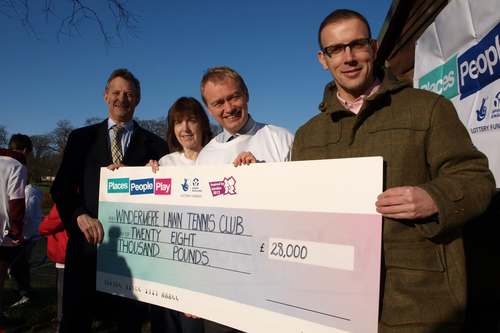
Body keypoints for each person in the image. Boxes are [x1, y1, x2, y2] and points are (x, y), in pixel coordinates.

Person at [291, 9, 496, 333]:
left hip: (418, 300)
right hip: (335, 302)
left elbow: (477, 179)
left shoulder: (426, 107)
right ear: (323, 59)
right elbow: (296, 214)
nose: (349, 57)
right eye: (336, 49)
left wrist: (434, 197)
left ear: (373, 47)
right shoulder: (309, 134)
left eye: (357, 45)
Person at [50, 68, 169, 333]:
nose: (122, 98)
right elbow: (62, 188)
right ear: (105, 96)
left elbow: (166, 198)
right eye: (116, 92)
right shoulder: (80, 139)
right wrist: (80, 215)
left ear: (138, 100)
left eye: (129, 94)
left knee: (129, 323)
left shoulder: (157, 147)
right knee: (74, 322)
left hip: (133, 255)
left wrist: (159, 174)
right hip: (86, 247)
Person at [197, 66, 294, 332]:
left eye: (233, 97)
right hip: (224, 285)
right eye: (218, 102)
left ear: (247, 94)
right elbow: (201, 225)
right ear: (208, 108)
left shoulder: (282, 139)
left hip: (277, 281)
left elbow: (302, 206)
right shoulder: (206, 156)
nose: (228, 107)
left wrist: (263, 179)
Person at [148, 96, 212, 333]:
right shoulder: (165, 163)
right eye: (178, 123)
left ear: (202, 124)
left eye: (191, 121)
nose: (184, 129)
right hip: (167, 266)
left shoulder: (218, 159)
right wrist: (130, 175)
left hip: (204, 268)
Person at [0, 134, 32, 328]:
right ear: (26, 151)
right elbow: (17, 202)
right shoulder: (17, 167)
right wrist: (17, 230)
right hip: (3, 231)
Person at [8, 181, 44, 308]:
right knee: (18, 265)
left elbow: (25, 216)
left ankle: (27, 296)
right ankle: (21, 294)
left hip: (26, 236)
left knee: (16, 266)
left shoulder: (29, 193)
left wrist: (15, 230)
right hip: (23, 235)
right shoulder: (27, 193)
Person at [38, 203, 68, 325]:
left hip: (65, 251)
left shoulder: (67, 195)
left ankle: (63, 323)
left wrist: (41, 228)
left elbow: (53, 220)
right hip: (76, 250)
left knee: (64, 292)